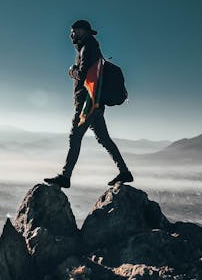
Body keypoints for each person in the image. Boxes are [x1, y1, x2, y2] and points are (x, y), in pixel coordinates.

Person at [44, 19, 134, 188]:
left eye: (74, 31)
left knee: (75, 136)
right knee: (104, 139)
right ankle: (124, 172)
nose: (71, 35)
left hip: (88, 103)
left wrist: (72, 71)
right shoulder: (91, 47)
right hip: (95, 102)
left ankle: (65, 176)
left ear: (82, 31)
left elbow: (84, 74)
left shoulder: (88, 47)